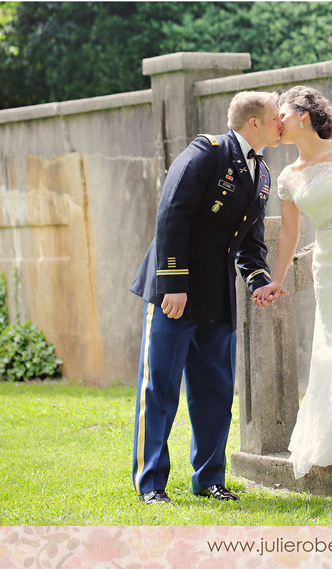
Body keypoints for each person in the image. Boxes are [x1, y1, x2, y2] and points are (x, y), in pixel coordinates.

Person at [130, 91, 282, 503]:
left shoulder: (263, 173)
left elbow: (250, 242)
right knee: (160, 388)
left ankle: (210, 479)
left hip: (216, 294)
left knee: (215, 390)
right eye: (275, 117)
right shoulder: (206, 152)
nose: (282, 122)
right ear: (254, 122)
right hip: (174, 292)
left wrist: (258, 280)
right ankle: (152, 484)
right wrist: (173, 285)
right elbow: (171, 213)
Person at [252, 85, 332, 479]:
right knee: (331, 348)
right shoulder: (287, 176)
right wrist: (277, 279)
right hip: (328, 265)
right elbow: (289, 233)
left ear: (302, 115)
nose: (276, 122)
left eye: (280, 114)